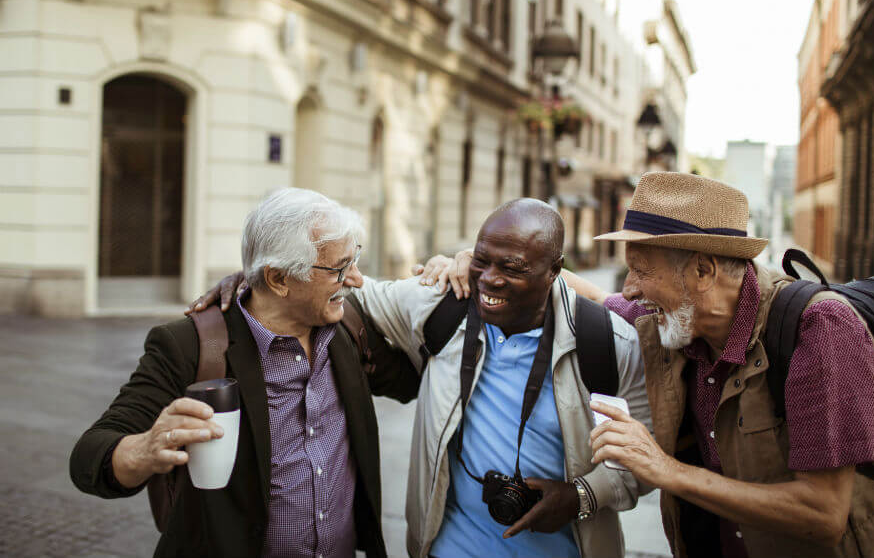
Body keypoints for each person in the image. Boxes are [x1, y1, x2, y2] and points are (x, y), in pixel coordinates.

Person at [197, 197, 651, 558]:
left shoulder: (610, 344)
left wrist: (581, 496)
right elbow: (349, 293)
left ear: (555, 270)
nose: (490, 280)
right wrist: (260, 282)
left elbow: (642, 464)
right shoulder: (442, 302)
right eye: (482, 260)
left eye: (512, 268)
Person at [70, 188, 420, 558]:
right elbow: (89, 458)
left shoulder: (347, 327)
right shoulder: (190, 346)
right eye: (339, 269)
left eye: (354, 260)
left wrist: (449, 274)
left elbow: (414, 380)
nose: (355, 279)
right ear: (279, 279)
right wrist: (145, 449)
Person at [577, 172, 874, 558]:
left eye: (642, 270)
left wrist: (665, 469)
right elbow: (596, 298)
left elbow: (825, 514)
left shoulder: (821, 329)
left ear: (703, 271)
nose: (630, 289)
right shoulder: (679, 316)